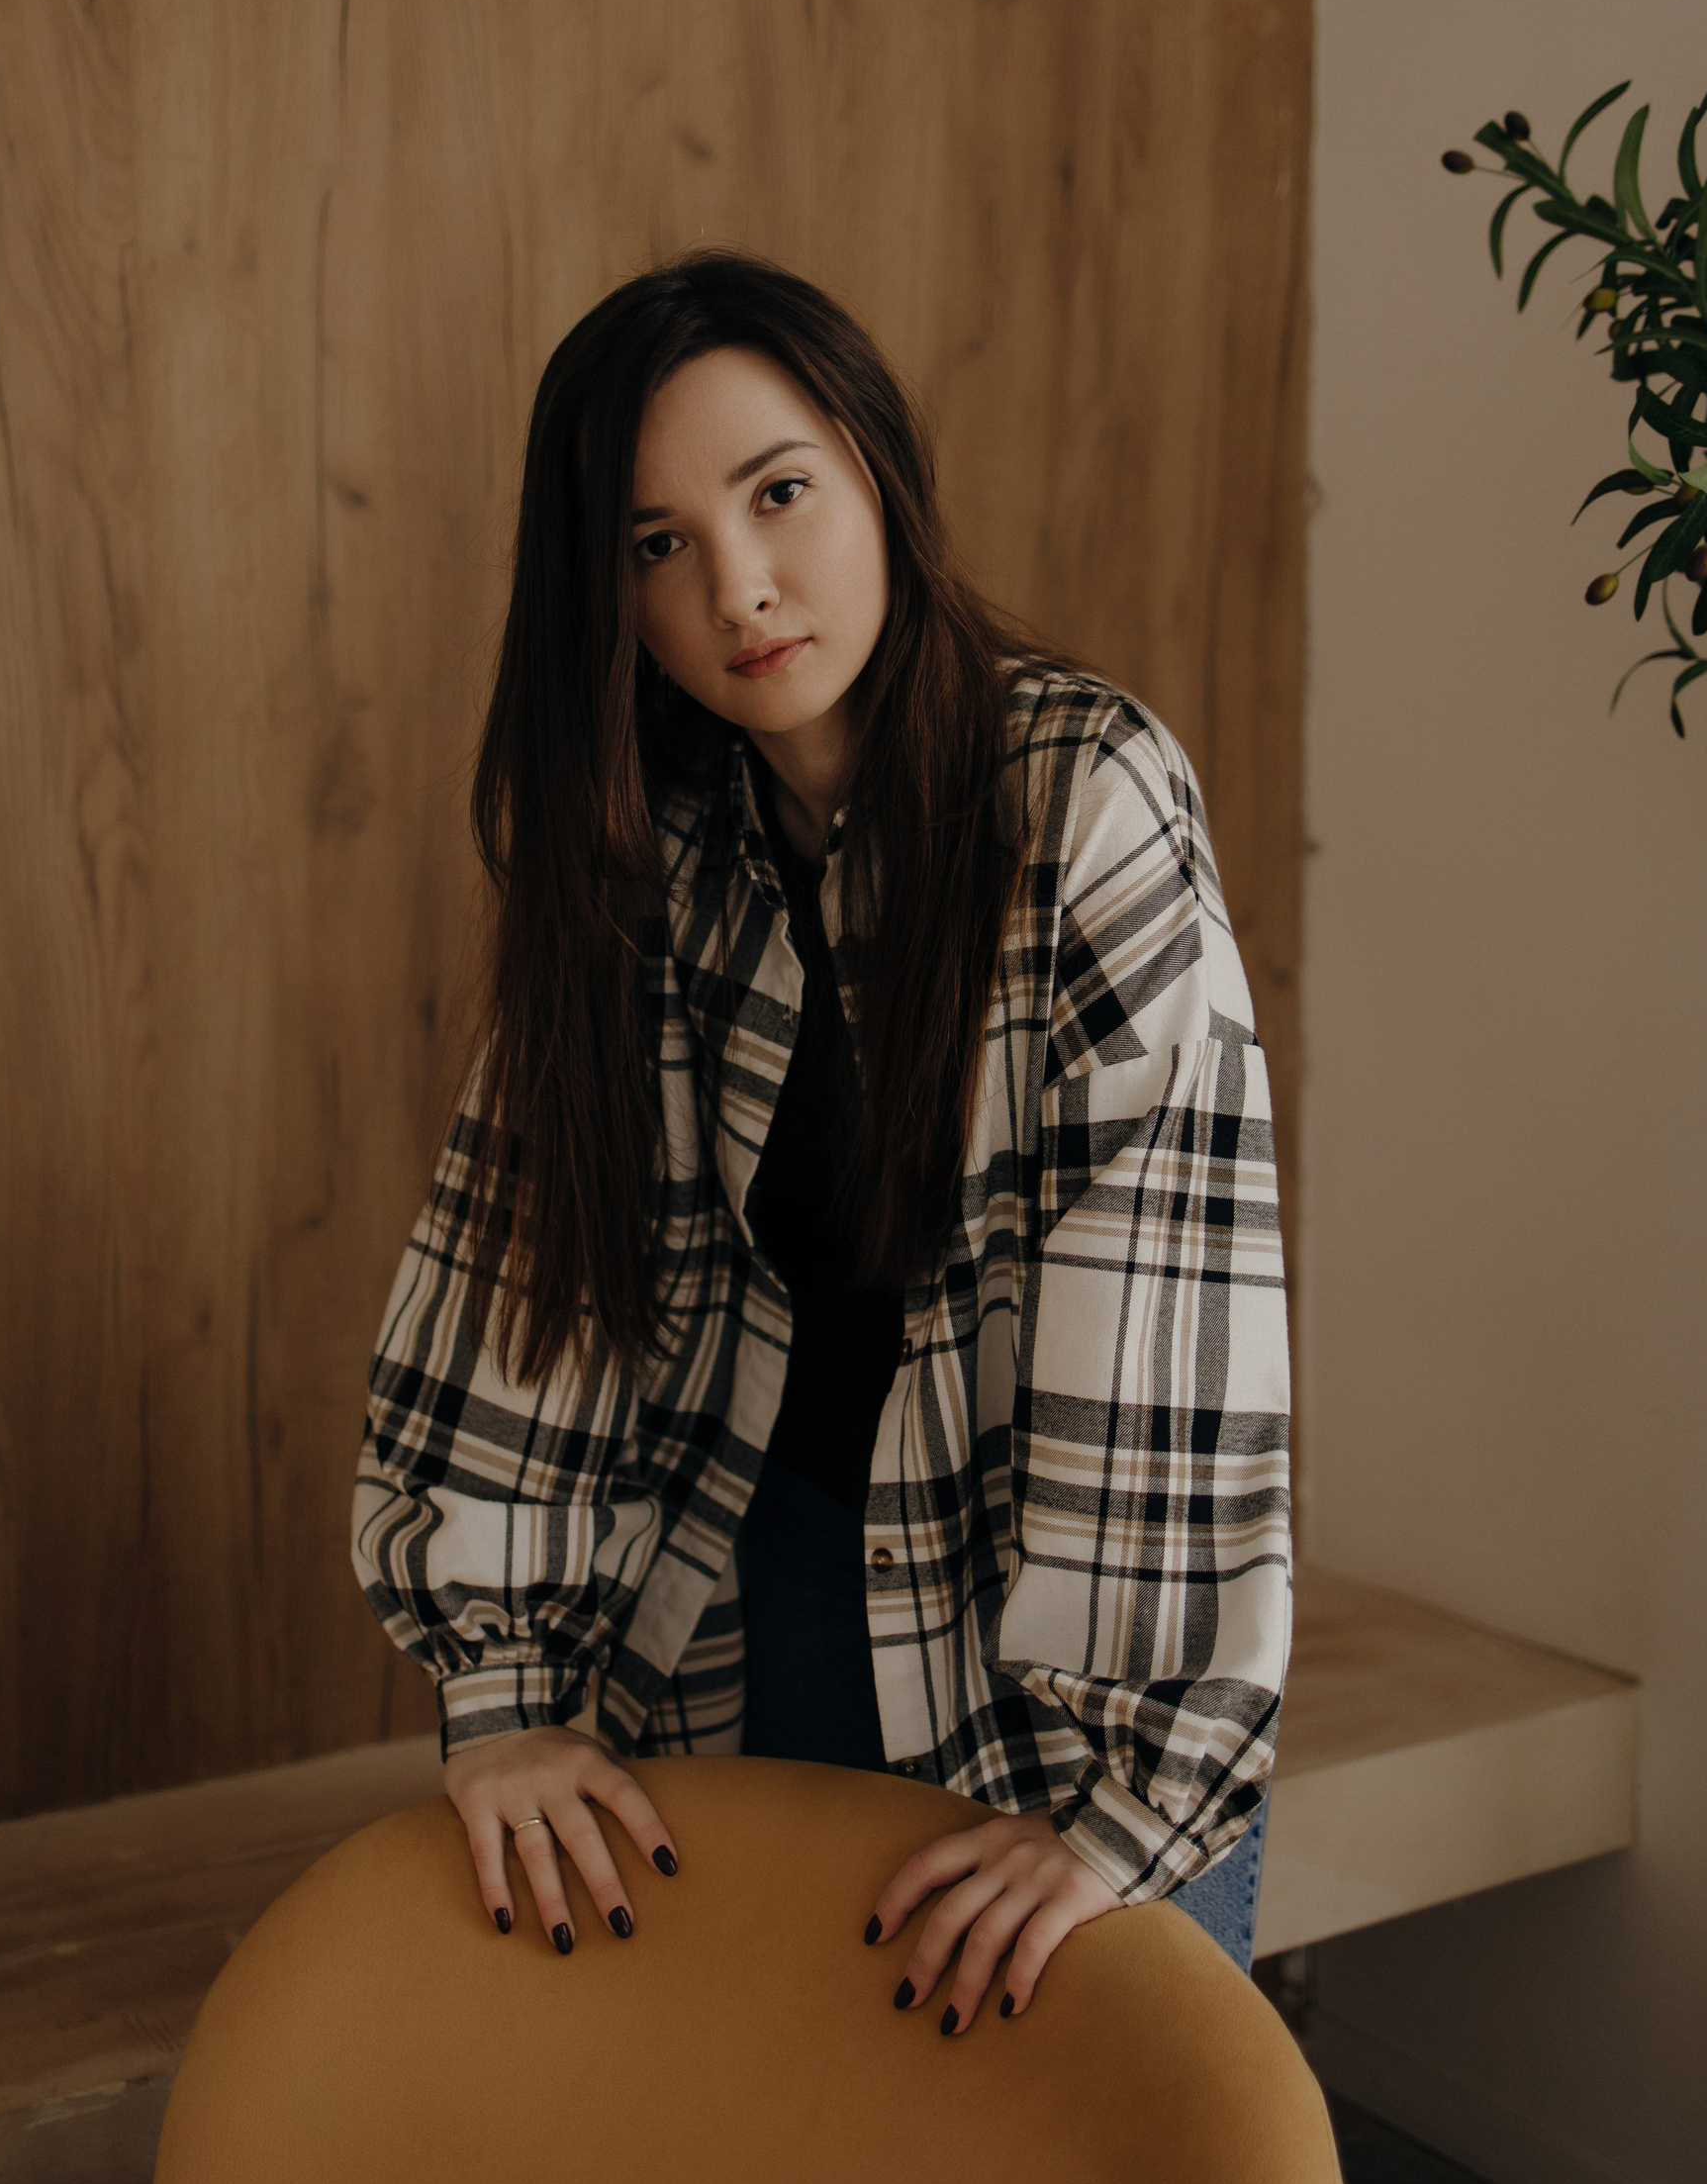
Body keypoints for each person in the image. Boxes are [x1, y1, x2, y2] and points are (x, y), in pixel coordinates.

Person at [351, 252, 1290, 2035]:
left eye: (777, 493)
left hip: (1064, 1653)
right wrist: (506, 1694)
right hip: (756, 1593)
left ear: (879, 469)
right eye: (659, 543)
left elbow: (1161, 1316)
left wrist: (1113, 1811)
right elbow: (526, 1264)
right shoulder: (653, 843)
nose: (739, 588)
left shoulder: (1083, 796)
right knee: (776, 2148)